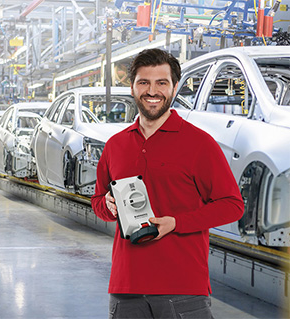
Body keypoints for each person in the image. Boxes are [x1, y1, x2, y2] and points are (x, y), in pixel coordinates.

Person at [91, 48, 244, 319]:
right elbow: (98, 201)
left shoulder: (199, 143)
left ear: (174, 88)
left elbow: (232, 205)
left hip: (182, 288)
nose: (152, 91)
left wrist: (177, 223)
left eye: (161, 83)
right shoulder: (116, 145)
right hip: (126, 288)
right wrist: (107, 205)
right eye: (144, 83)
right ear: (132, 88)